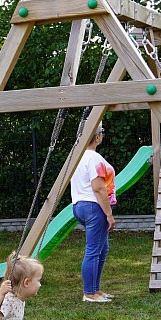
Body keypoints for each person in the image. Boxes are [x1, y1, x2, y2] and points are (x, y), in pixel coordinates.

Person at [69, 125, 116, 303]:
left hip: (79, 205)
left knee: (102, 250)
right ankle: (89, 293)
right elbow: (98, 188)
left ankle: (96, 289)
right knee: (93, 251)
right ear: (97, 138)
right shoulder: (94, 158)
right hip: (93, 206)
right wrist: (109, 214)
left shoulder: (77, 157)